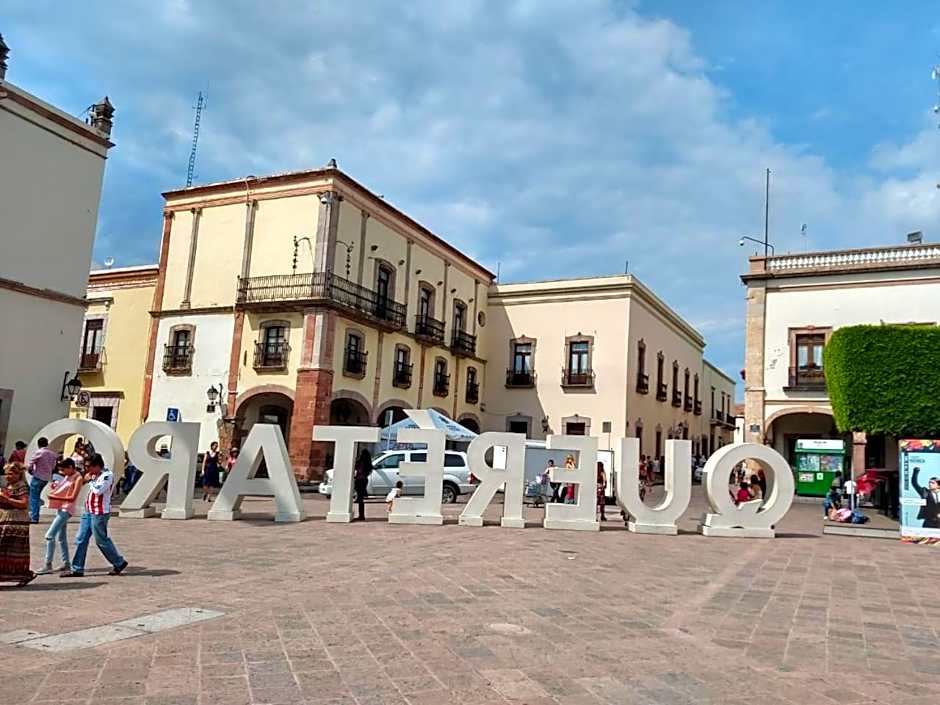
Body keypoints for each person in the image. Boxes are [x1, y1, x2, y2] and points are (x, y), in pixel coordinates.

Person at [62, 454, 128, 578]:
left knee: (101, 540)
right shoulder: (94, 475)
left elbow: (98, 490)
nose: (87, 469)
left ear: (97, 466)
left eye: (89, 467)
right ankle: (77, 568)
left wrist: (90, 480)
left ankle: (118, 562)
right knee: (81, 538)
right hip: (89, 510)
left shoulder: (107, 476)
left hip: (100, 512)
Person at [39, 458, 83, 574]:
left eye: (64, 469)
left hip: (67, 509)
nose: (63, 472)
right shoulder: (68, 477)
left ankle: (48, 564)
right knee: (61, 537)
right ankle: (66, 563)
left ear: (70, 467)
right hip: (61, 508)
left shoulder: (78, 478)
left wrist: (55, 497)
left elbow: (73, 498)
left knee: (49, 535)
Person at [0, 463, 35, 586]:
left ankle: (22, 574)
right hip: (6, 519)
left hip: (16, 522)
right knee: (5, 549)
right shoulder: (8, 486)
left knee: (13, 549)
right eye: (6, 473)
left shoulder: (21, 486)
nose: (7, 476)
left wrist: (7, 500)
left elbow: (24, 503)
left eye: (10, 473)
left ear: (18, 474)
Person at [26, 436, 57, 523]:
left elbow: (30, 463)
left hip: (37, 476)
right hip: (46, 478)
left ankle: (34, 517)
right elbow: (54, 466)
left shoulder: (39, 452)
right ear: (47, 444)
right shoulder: (52, 454)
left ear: (38, 444)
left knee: (34, 497)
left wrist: (30, 470)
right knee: (37, 497)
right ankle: (34, 515)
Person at [353, 448, 373, 521]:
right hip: (364, 480)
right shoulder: (368, 462)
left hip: (360, 480)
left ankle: (361, 515)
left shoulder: (361, 462)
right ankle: (361, 515)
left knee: (360, 498)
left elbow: (359, 470)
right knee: (360, 498)